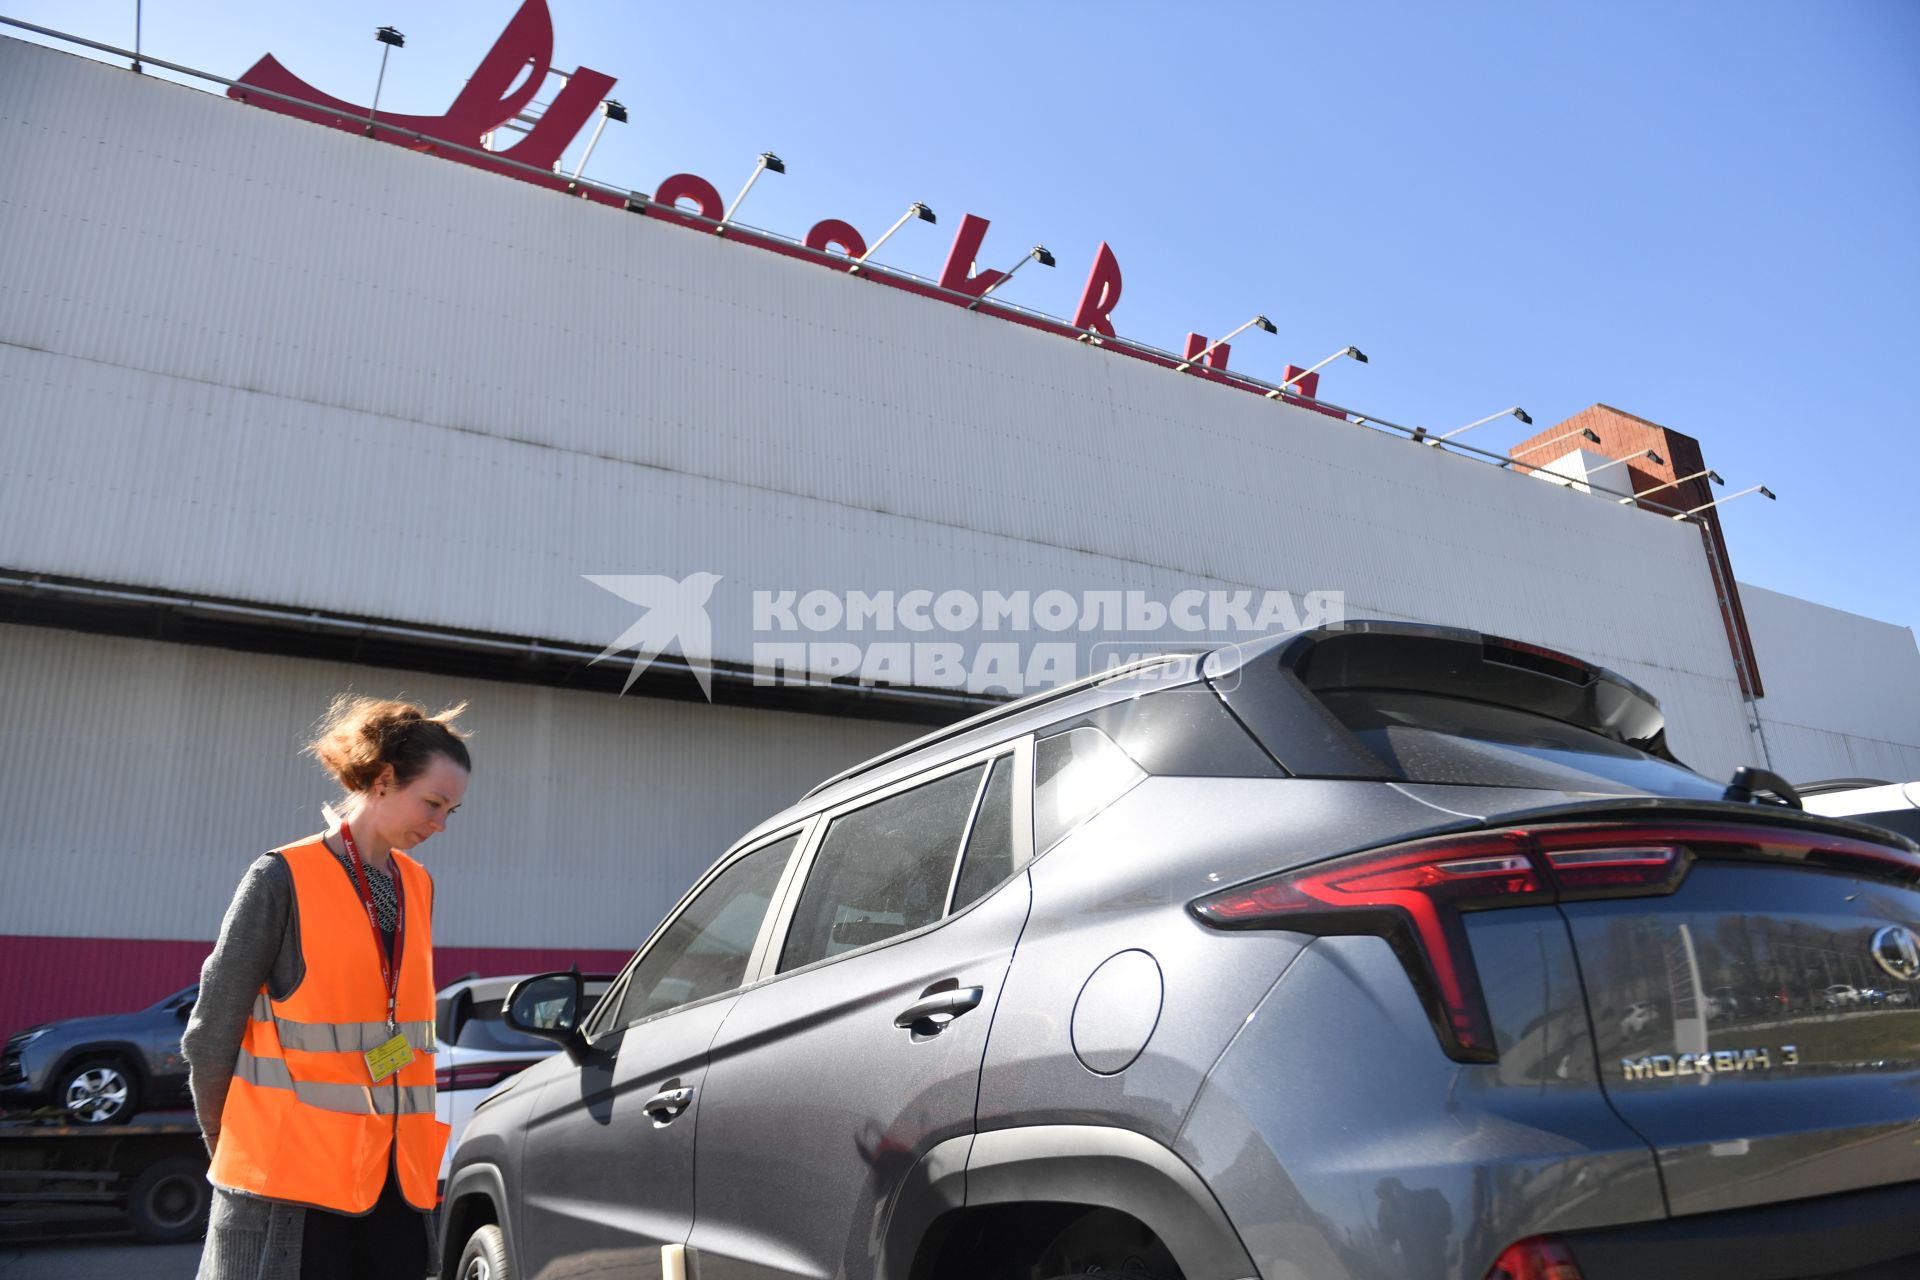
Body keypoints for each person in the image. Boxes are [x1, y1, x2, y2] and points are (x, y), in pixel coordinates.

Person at [185, 695, 471, 1280]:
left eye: (452, 812)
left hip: (393, 1182)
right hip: (295, 1183)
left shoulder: (416, 886)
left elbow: (395, 1031)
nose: (440, 824)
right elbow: (212, 1030)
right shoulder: (282, 877)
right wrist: (229, 1146)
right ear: (385, 779)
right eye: (433, 803)